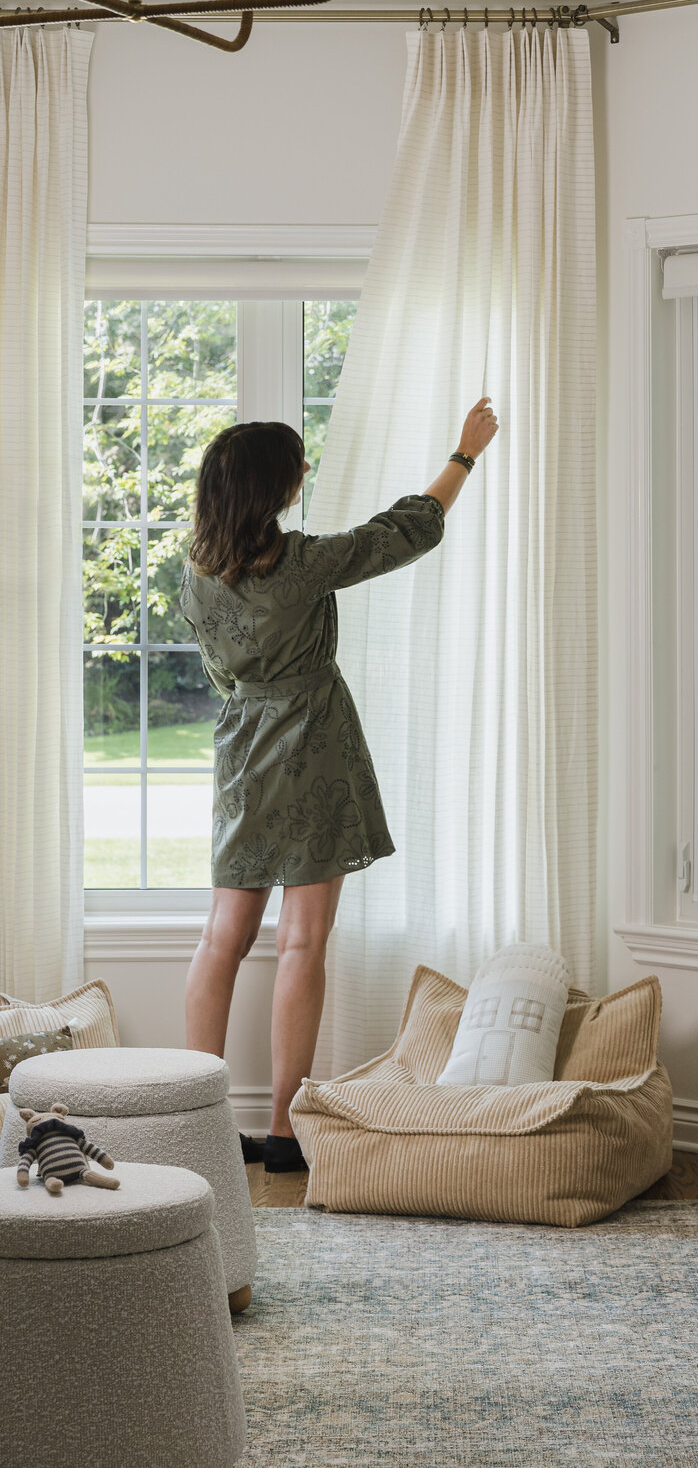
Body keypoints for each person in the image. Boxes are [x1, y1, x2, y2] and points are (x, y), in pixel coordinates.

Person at [180, 399, 499, 1173]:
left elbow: (222, 673)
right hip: (316, 748)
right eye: (297, 469)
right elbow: (404, 531)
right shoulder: (302, 562)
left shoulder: (194, 573)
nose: (305, 475)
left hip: (243, 752)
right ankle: (286, 1131)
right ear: (271, 490)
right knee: (302, 940)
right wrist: (463, 455)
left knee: (221, 937)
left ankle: (194, 1124)